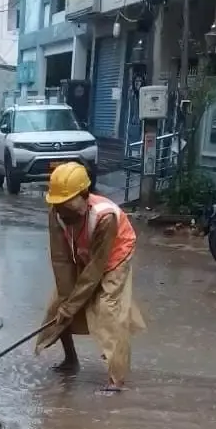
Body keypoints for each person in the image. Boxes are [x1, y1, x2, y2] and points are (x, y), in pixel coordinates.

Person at [35, 163, 146, 392]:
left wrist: (74, 304)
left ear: (84, 196)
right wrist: (67, 303)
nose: (63, 212)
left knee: (108, 311)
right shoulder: (56, 213)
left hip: (114, 255)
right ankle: (70, 360)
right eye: (58, 206)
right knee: (58, 307)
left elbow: (96, 269)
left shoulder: (105, 218)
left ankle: (116, 379)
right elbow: (61, 259)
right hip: (82, 252)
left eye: (67, 206)